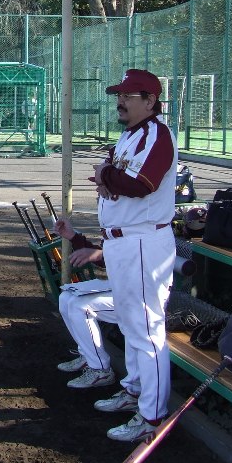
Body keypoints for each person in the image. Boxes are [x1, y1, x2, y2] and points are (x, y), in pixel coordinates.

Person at [89, 69, 178, 442]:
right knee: (130, 325)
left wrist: (106, 175)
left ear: (151, 101)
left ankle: (152, 417)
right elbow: (117, 180)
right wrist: (107, 176)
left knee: (146, 328)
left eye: (129, 96)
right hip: (124, 242)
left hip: (144, 241)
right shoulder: (130, 136)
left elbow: (142, 184)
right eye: (119, 95)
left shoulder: (158, 134)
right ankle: (135, 390)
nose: (120, 101)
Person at [51, 220, 118, 389]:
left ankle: (100, 370)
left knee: (79, 306)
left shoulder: (142, 226)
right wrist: (73, 237)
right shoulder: (118, 221)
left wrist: (102, 254)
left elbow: (134, 258)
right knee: (66, 297)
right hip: (120, 287)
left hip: (141, 297)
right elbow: (106, 260)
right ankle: (88, 356)